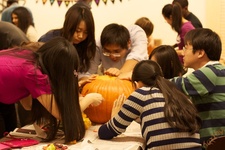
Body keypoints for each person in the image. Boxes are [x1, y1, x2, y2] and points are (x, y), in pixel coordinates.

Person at [0, 37, 103, 142]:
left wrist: (73, 100)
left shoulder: (30, 57)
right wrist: (89, 99)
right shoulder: (33, 73)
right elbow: (62, 114)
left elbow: (27, 105)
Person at [98, 60, 202, 149]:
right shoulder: (177, 93)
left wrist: (114, 118)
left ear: (137, 83)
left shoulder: (141, 93)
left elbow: (107, 132)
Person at [170, 28, 225, 145]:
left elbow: (172, 86)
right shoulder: (218, 70)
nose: (182, 52)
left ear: (200, 53)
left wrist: (146, 77)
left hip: (214, 143)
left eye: (186, 48)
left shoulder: (208, 73)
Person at [38, 4, 96, 84]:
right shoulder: (50, 40)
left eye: (86, 32)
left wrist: (83, 79)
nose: (81, 36)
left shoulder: (84, 45)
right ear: (69, 25)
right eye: (77, 30)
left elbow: (79, 72)